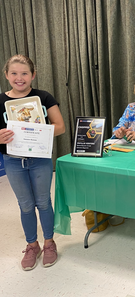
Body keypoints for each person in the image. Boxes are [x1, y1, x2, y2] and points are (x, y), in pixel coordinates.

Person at [0, 54, 65, 271]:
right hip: (12, 161)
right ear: (7, 75)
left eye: (25, 73)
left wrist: (36, 130)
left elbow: (60, 127)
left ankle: (49, 243)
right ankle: (31, 245)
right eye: (14, 73)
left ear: (33, 75)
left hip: (39, 159)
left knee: (43, 202)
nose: (20, 78)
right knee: (25, 205)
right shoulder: (0, 101)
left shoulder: (43, 97)